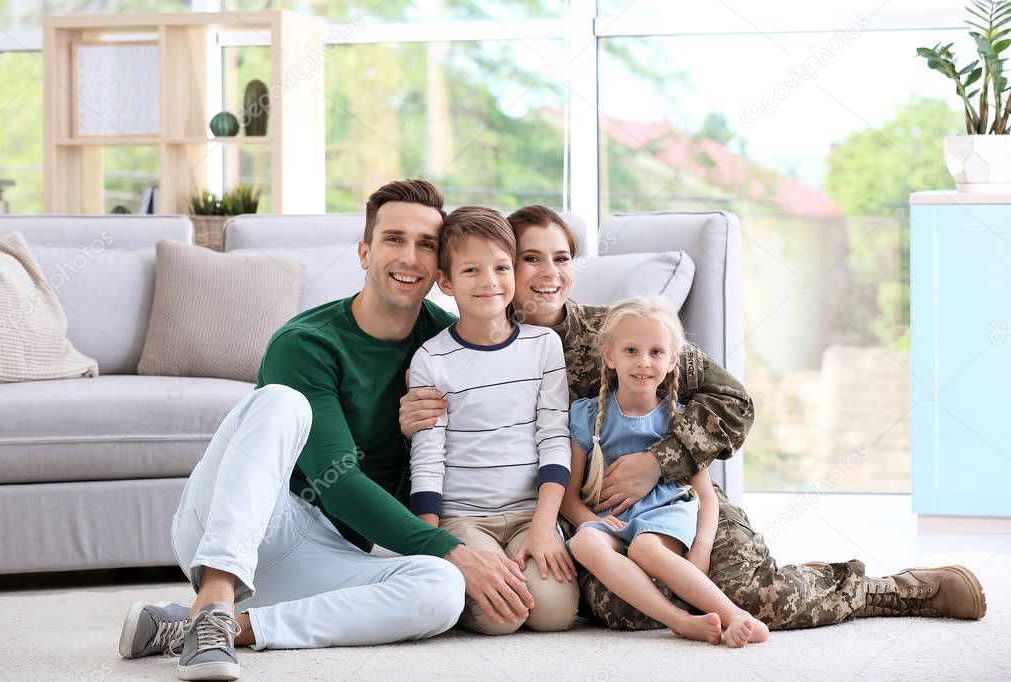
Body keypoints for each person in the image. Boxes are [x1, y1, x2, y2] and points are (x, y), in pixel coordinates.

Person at [399, 204, 986, 632]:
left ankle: (894, 590)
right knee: (620, 611)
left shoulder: (623, 330)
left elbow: (734, 402)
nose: (548, 273)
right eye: (530, 259)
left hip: (674, 499)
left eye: (562, 257)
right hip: (576, 522)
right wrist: (409, 415)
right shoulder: (458, 339)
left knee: (748, 594)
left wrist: (659, 461)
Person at [118, 180, 534, 682]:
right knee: (280, 402)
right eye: (394, 239)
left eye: (426, 244)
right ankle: (214, 597)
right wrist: (453, 548)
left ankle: (224, 628)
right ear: (364, 251)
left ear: (440, 269)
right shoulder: (306, 342)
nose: (410, 257)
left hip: (329, 553)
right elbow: (335, 480)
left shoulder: (444, 342)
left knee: (441, 590)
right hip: (254, 523)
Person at [408, 206, 579, 634]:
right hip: (464, 517)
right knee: (500, 619)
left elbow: (554, 436)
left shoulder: (543, 347)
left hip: (529, 514)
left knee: (554, 614)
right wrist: (432, 550)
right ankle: (470, 588)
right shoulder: (432, 358)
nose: (489, 282)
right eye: (471, 270)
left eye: (502, 267)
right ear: (445, 282)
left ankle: (518, 564)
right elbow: (427, 458)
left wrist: (544, 526)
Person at [562, 297, 769, 647]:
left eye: (656, 352)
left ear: (674, 360)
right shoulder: (585, 416)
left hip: (664, 513)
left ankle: (734, 614)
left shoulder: (676, 420)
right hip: (613, 518)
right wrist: (588, 520)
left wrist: (701, 548)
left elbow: (705, 495)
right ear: (609, 356)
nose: (643, 362)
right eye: (631, 350)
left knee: (645, 548)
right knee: (583, 542)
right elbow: (567, 499)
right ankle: (679, 621)